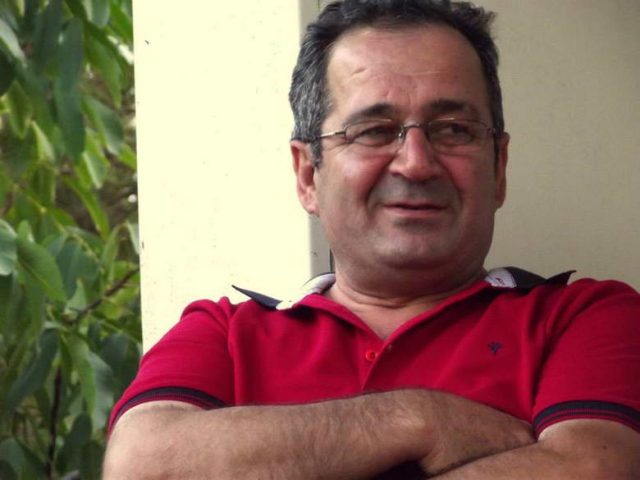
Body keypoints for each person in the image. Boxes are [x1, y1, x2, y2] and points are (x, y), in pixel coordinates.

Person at [103, 1, 640, 478]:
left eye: (453, 129)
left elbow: (594, 468)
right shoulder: (223, 334)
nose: (416, 163)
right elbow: (143, 467)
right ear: (308, 175)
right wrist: (420, 421)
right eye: (374, 131)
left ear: (498, 167)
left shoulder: (584, 317)